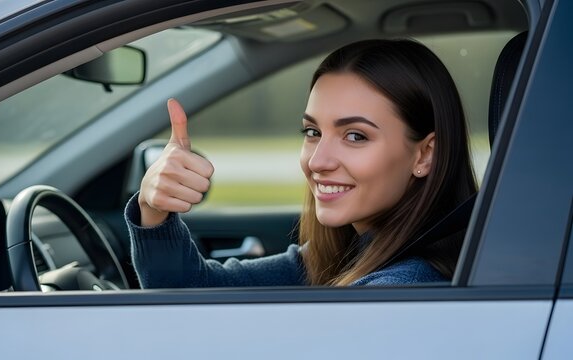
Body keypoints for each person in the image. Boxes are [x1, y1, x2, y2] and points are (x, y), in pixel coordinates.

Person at [125, 39, 477, 288]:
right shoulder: (350, 254)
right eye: (312, 131)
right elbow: (192, 291)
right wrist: (152, 207)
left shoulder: (398, 291)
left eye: (355, 136)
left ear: (425, 154)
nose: (318, 161)